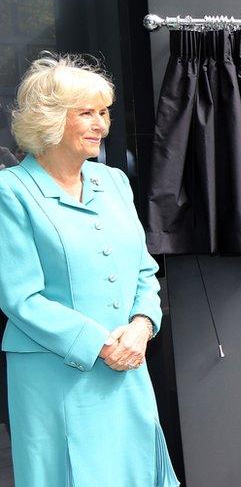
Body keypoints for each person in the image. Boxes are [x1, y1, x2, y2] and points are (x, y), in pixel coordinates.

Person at [0, 55, 180, 486]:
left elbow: (143, 270)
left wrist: (140, 327)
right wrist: (104, 345)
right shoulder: (11, 192)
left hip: (128, 366)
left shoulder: (115, 181)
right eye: (86, 113)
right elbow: (20, 298)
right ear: (48, 120)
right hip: (56, 377)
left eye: (104, 112)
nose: (101, 124)